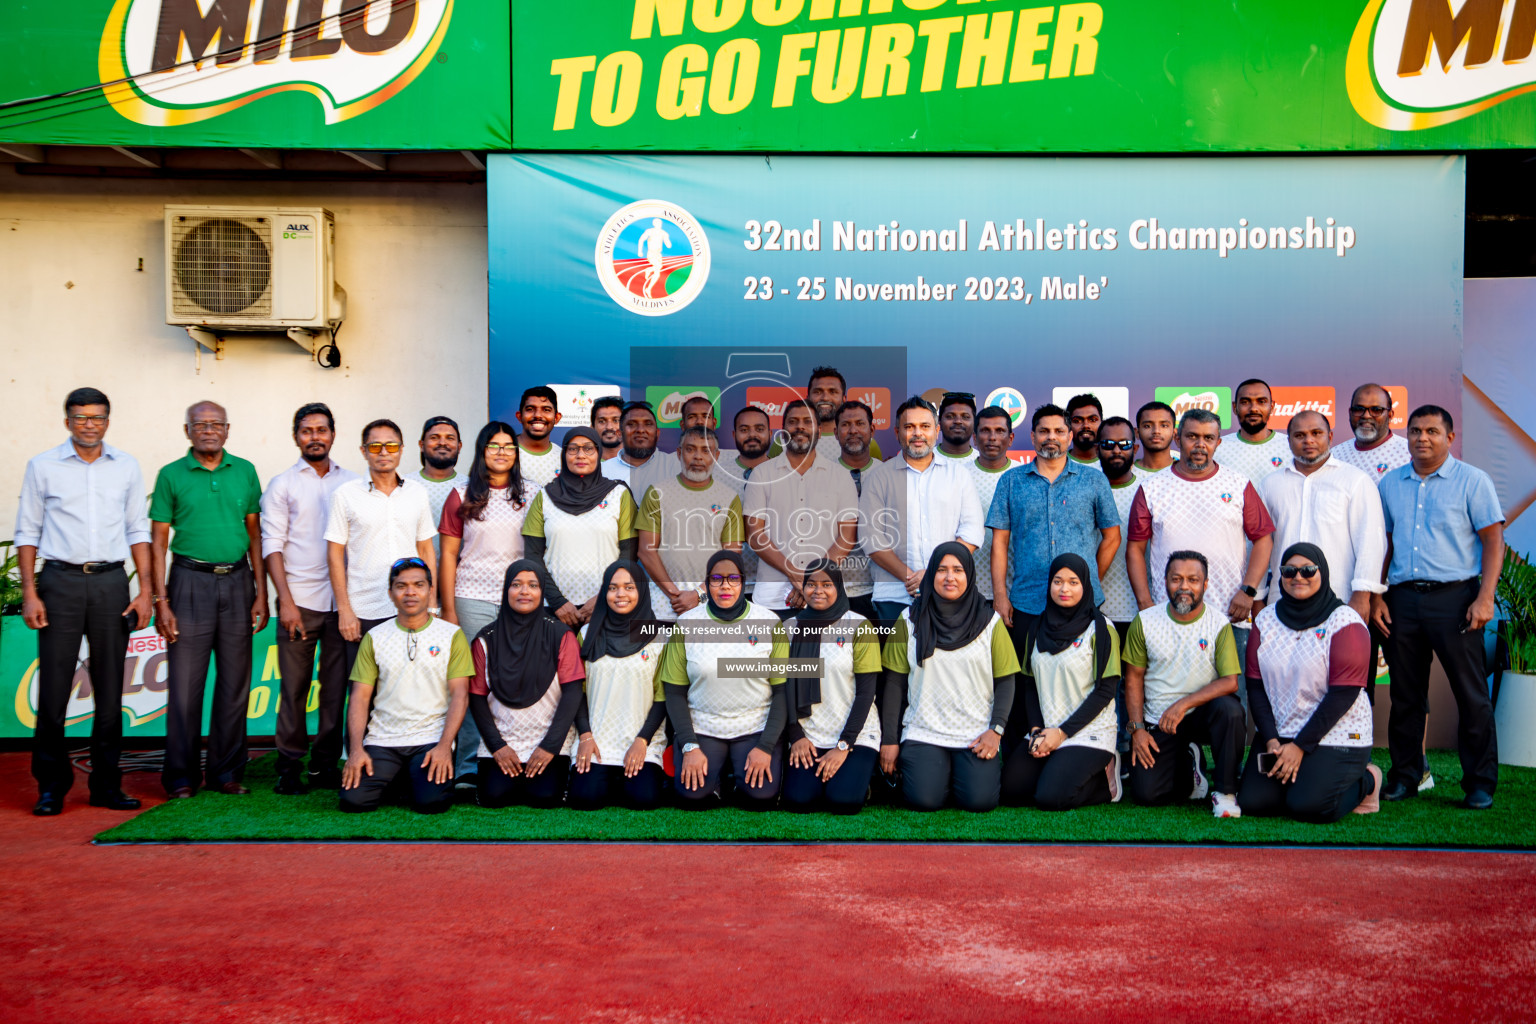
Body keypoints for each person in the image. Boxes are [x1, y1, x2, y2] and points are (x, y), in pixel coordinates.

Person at [17, 387, 152, 816]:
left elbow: (138, 530)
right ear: (67, 421)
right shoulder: (43, 467)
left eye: (96, 417)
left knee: (111, 690)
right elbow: (27, 532)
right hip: (59, 583)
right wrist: (29, 592)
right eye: (80, 417)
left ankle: (106, 786)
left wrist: (145, 589)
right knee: (55, 690)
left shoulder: (126, 466)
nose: (88, 424)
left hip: (111, 583)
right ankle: (51, 787)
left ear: (108, 421)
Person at [1373, 405, 1503, 810]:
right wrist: (1377, 595)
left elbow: (1493, 541)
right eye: (1415, 431)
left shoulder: (1472, 480)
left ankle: (1479, 782)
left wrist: (1485, 598)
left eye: (1431, 431)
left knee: (1471, 695)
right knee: (1406, 695)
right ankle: (1406, 776)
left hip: (1456, 600)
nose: (1422, 438)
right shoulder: (1390, 483)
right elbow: (1384, 544)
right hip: (1402, 601)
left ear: (1450, 437)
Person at [149, 401, 267, 799]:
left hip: (237, 583)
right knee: (184, 688)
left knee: (235, 685)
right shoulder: (171, 475)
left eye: (216, 424)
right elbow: (159, 540)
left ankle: (226, 773)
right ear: (188, 431)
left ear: (228, 430)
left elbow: (255, 536)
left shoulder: (245, 471)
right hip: (188, 582)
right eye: (200, 425)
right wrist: (160, 601)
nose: (208, 430)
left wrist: (260, 593)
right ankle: (180, 777)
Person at [1238, 544, 1382, 822]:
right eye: (1289, 570)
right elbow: (1255, 687)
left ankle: (1369, 780)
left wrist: (1301, 747)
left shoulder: (1345, 621)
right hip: (1281, 734)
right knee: (1254, 803)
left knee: (1309, 807)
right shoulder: (1265, 619)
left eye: (1308, 570)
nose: (1298, 577)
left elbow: (1344, 694)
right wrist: (1270, 739)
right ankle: (1303, 777)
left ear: (1323, 573)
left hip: (1335, 733)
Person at [1126, 408, 1275, 671]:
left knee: (1230, 705)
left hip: (1229, 615)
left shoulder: (1238, 484)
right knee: (1168, 700)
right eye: (1192, 436)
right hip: (1168, 616)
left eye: (1208, 438)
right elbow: (1135, 550)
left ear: (1218, 442)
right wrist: (1146, 604)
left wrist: (1249, 591)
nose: (1200, 444)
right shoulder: (1151, 488)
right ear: (1177, 438)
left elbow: (1263, 539)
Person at [261, 402, 358, 794]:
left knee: (336, 690)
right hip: (299, 602)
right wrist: (283, 601)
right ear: (295, 435)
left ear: (333, 434)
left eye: (321, 430)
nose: (314, 437)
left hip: (343, 605)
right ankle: (289, 765)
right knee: (295, 689)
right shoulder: (282, 484)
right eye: (307, 431)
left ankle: (324, 766)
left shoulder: (352, 483)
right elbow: (272, 545)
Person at [880, 543, 1018, 812]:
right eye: (942, 570)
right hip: (924, 731)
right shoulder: (907, 620)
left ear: (969, 575)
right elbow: (894, 684)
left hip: (976, 734)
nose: (949, 577)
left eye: (957, 570)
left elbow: (1006, 681)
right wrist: (890, 740)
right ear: (931, 575)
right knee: (923, 801)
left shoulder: (991, 622)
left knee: (979, 802)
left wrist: (996, 730)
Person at [339, 558, 471, 815]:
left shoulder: (451, 635)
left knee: (431, 803)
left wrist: (444, 747)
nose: (410, 592)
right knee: (353, 801)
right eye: (401, 586)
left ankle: (406, 779)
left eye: (418, 585)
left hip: (430, 740)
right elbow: (359, 698)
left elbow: (460, 695)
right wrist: (355, 751)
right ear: (391, 593)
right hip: (383, 739)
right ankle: (399, 777)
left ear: (430, 590)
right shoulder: (375, 637)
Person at [438, 420, 532, 783]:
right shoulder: (461, 494)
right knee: (472, 683)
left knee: (513, 680)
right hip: (471, 598)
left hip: (520, 600)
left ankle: (513, 759)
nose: (502, 452)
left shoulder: (532, 494)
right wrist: (448, 609)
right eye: (494, 446)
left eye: (509, 446)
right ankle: (466, 766)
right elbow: (448, 554)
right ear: (481, 451)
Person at [660, 550, 790, 808]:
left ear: (743, 582)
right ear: (707, 584)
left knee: (760, 797)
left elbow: (782, 692)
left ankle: (741, 778)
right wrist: (688, 745)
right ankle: (716, 781)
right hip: (704, 726)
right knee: (692, 797)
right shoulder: (686, 624)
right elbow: (674, 692)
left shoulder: (769, 622)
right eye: (717, 579)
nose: (725, 586)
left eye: (733, 578)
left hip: (754, 725)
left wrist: (765, 746)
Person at [987, 404, 1120, 655]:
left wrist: (1087, 579)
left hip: (1081, 604)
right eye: (1044, 431)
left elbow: (1112, 537)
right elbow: (999, 543)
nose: (1051, 437)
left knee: (1081, 678)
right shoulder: (1011, 481)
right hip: (1027, 601)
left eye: (1059, 431)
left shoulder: (1094, 480)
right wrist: (1000, 595)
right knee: (1027, 684)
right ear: (1033, 436)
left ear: (1070, 436)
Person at [1122, 551, 1246, 817]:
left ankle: (1225, 792)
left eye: (1193, 579)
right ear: (1165, 581)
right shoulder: (1144, 622)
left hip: (1203, 714)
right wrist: (1137, 730)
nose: (1184, 587)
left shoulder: (1218, 623)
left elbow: (1230, 682)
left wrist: (1184, 704)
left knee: (1230, 710)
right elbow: (1133, 679)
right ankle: (1190, 764)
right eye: (1176, 579)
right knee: (1147, 794)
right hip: (1160, 720)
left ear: (1205, 584)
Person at [1000, 554, 1123, 809]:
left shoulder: (1101, 629)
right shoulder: (1036, 627)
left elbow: (1105, 691)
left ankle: (1105, 779)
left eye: (1073, 582)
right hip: (1046, 731)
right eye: (1057, 581)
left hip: (1088, 732)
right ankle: (1057, 769)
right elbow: (1030, 684)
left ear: (1085, 586)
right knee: (1010, 791)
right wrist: (1036, 731)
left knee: (1050, 798)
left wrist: (1062, 733)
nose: (1064, 589)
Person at [466, 561, 585, 808]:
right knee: (493, 798)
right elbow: (476, 696)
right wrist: (497, 746)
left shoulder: (561, 635)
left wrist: (549, 747)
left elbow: (572, 693)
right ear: (505, 590)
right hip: (502, 739)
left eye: (533, 585)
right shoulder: (485, 639)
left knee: (544, 798)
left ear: (542, 592)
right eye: (516, 585)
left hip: (548, 739)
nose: (524, 591)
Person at [862, 396, 984, 626]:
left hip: (949, 593)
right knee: (893, 662)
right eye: (909, 427)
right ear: (898, 432)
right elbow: (870, 537)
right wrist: (912, 578)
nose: (918, 433)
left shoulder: (958, 475)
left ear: (936, 431)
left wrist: (932, 575)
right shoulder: (878, 477)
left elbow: (973, 531)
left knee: (944, 662)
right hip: (893, 597)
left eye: (925, 426)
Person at [325, 419, 437, 670]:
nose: (384, 452)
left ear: (402, 449)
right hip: (363, 611)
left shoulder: (417, 493)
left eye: (391, 446)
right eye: (375, 446)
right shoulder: (345, 495)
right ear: (363, 451)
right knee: (363, 693)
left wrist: (431, 604)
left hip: (411, 608)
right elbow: (334, 555)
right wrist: (345, 610)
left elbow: (427, 550)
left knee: (408, 689)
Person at [1257, 411, 1386, 625]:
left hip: (1340, 600)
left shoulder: (1355, 481)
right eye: (1300, 435)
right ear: (1288, 441)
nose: (1309, 440)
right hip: (1282, 601)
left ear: (1330, 437)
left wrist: (1362, 595)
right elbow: (1260, 545)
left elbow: (1371, 543)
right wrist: (1257, 595)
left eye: (1316, 433)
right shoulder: (1271, 485)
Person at [567, 561, 670, 810]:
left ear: (642, 592)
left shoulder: (658, 637)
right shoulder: (587, 633)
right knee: (584, 799)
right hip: (597, 740)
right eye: (613, 588)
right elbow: (575, 692)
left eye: (629, 587)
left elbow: (663, 697)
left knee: (644, 800)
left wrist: (642, 741)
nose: (620, 594)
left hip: (641, 740)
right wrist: (585, 736)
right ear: (604, 593)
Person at [782, 559, 882, 814]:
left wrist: (843, 745)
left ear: (838, 588)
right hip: (810, 734)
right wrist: (796, 737)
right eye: (811, 584)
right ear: (802, 588)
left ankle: (862, 781)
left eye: (827, 584)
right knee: (799, 802)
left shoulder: (859, 626)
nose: (818, 591)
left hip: (854, 734)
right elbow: (781, 689)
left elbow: (866, 694)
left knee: (844, 802)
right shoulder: (789, 629)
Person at [744, 399, 859, 620]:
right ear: (783, 429)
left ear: (819, 429)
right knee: (772, 655)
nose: (800, 427)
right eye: (793, 421)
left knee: (823, 656)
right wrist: (796, 575)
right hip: (771, 597)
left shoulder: (840, 476)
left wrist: (813, 581)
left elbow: (847, 536)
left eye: (807, 421)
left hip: (825, 596)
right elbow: (754, 534)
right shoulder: (761, 474)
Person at [522, 427, 639, 629]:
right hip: (554, 610)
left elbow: (629, 554)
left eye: (588, 449)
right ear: (564, 455)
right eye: (573, 449)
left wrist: (604, 596)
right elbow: (533, 556)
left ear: (598, 453)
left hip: (608, 605)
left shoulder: (618, 494)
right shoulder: (545, 496)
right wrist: (558, 602)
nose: (580, 455)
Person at [637, 426, 744, 623]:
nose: (698, 457)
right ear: (679, 453)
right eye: (690, 449)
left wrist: (698, 595)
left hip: (710, 603)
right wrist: (674, 595)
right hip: (663, 604)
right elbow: (645, 551)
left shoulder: (730, 498)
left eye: (706, 450)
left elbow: (732, 557)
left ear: (717, 456)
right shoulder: (656, 492)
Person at [1095, 417, 1144, 638]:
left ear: (1134, 448)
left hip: (1143, 608)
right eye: (1107, 444)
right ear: (1097, 449)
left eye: (1124, 444)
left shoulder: (1151, 488)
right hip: (1093, 610)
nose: (1116, 450)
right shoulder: (1082, 488)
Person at [722, 404, 775, 597]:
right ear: (734, 434)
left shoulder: (786, 474)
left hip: (775, 583)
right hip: (727, 584)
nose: (752, 435)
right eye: (744, 430)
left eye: (759, 429)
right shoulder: (717, 474)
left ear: (770, 433)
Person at [833, 399, 878, 620]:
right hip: (831, 589)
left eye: (860, 424)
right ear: (835, 432)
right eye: (845, 425)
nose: (853, 431)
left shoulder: (888, 474)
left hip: (877, 590)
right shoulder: (820, 475)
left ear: (872, 429)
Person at [967, 405, 1015, 606]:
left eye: (1000, 431)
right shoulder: (959, 477)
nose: (992, 437)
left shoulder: (1024, 477)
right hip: (964, 588)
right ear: (975, 439)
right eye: (985, 431)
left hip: (1014, 590)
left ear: (1011, 439)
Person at [1331, 383, 1411, 480]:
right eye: (1359, 409)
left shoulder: (1409, 453)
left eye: (1376, 410)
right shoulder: (1335, 455)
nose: (1366, 416)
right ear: (1350, 413)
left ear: (1390, 415)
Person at [1218, 379, 1290, 485]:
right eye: (1245, 402)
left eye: (1261, 402)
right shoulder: (1218, 448)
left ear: (1272, 406)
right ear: (1234, 407)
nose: (1253, 409)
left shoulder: (1290, 446)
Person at [808, 365, 882, 461]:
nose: (825, 398)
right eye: (818, 392)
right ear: (808, 399)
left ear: (844, 399)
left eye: (833, 392)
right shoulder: (786, 441)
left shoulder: (868, 442)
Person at [416, 415, 467, 555]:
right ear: (421, 445)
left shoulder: (470, 487)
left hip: (458, 574)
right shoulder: (406, 486)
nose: (442, 442)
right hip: (415, 574)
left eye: (450, 438)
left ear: (459, 446)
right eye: (434, 437)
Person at [615, 401, 669, 498]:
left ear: (657, 433)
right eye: (631, 424)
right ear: (619, 434)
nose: (640, 430)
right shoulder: (602, 471)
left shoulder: (676, 466)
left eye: (648, 424)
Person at [515, 386, 564, 488]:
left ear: (556, 418)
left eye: (546, 410)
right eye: (530, 409)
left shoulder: (564, 458)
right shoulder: (503, 452)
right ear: (519, 416)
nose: (537, 415)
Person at [1134, 401, 1178, 474]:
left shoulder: (1187, 473)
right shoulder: (1126, 475)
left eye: (1164, 425)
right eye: (1147, 426)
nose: (1156, 431)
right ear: (1137, 433)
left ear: (1174, 433)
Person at [1064, 393, 1105, 471]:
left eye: (1093, 420)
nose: (1086, 425)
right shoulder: (1056, 464)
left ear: (1102, 424)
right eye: (1077, 421)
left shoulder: (1113, 465)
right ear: (1068, 426)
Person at [936, 391, 978, 462]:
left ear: (974, 423)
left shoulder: (985, 462)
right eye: (950, 416)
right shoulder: (924, 461)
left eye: (965, 417)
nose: (958, 421)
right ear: (939, 422)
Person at [591, 396, 625, 463]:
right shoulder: (585, 464)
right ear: (592, 427)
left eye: (616, 420)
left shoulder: (640, 463)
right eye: (602, 421)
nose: (609, 427)